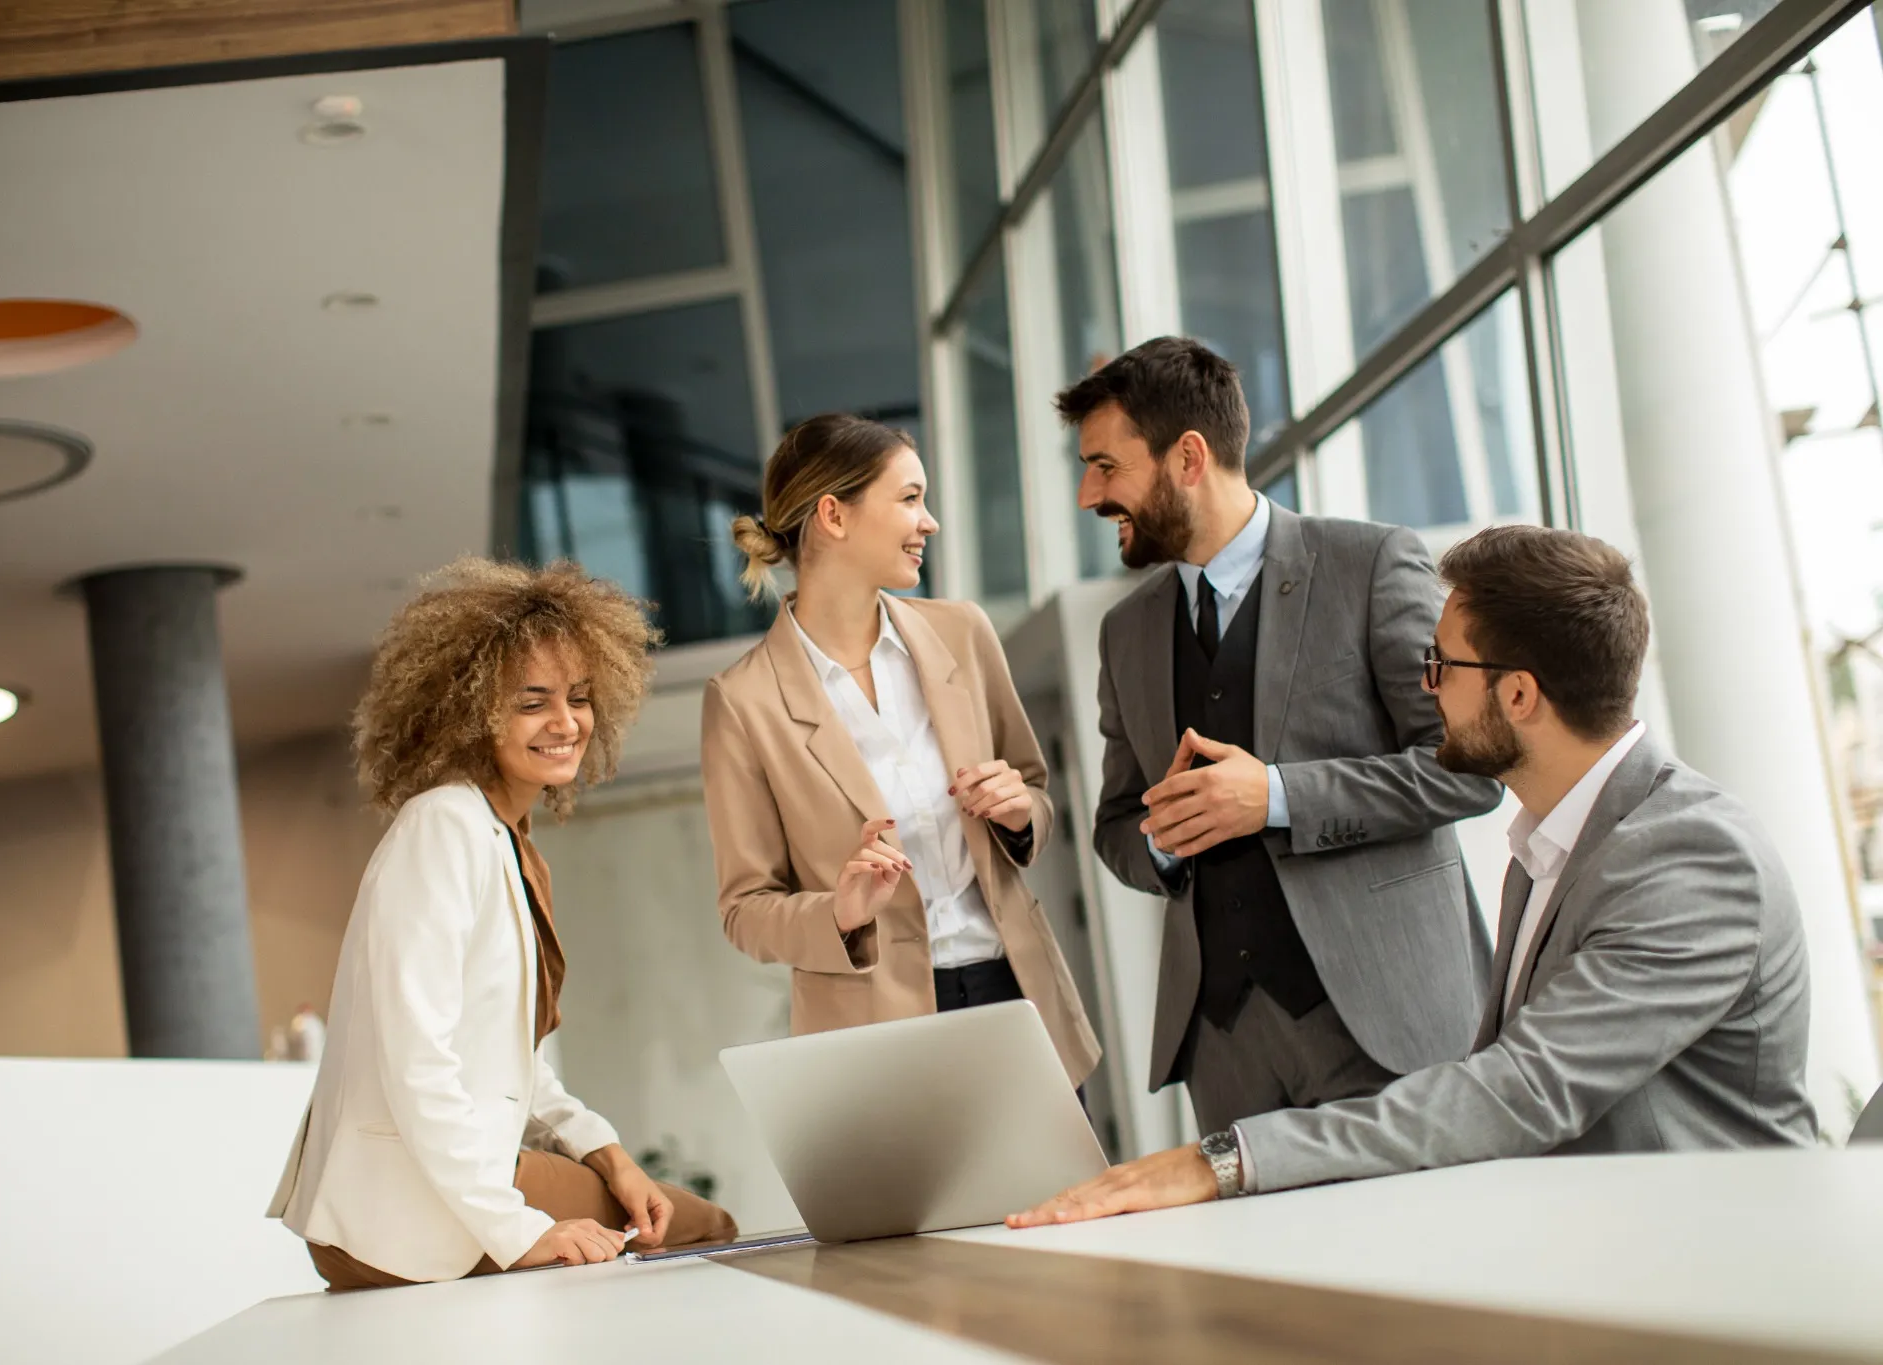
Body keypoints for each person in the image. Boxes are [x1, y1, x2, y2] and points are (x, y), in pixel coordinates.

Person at [1009, 524, 1818, 1224]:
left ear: (1521, 694)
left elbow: (1524, 1089)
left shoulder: (1690, 858)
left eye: (1443, 666)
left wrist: (1223, 1159)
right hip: (1591, 1245)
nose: (1425, 688)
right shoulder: (1552, 844)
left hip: (1710, 1272)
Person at [1062, 337, 1503, 1135]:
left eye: (1106, 466)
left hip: (1386, 1022)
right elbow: (1114, 826)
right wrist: (1162, 838)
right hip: (1225, 1047)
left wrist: (1275, 796)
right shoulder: (1125, 631)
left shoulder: (1370, 564)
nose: (1090, 495)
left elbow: (1468, 770)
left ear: (1188, 457)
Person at [267, 557, 737, 1290]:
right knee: (700, 1226)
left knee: (672, 1215)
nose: (566, 722)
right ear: (469, 709)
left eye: (580, 697)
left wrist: (606, 1152)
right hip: (399, 1217)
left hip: (450, 1186)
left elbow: (510, 1060)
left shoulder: (500, 835)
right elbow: (414, 1059)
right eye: (533, 701)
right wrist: (523, 1232)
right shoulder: (442, 828)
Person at [700, 414, 1100, 1089]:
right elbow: (745, 908)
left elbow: (1033, 788)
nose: (930, 521)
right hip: (875, 1033)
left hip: (1016, 995)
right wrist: (840, 909)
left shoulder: (963, 633)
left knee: (1071, 1199)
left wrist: (1018, 807)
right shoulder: (743, 701)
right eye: (910, 498)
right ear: (834, 514)